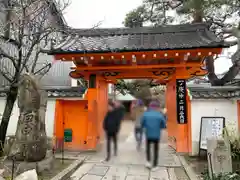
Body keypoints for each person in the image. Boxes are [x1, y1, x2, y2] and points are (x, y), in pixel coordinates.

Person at [141, 100, 166, 170]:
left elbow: (142, 123)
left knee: (148, 148)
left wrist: (146, 126)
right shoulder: (160, 115)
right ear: (157, 107)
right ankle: (155, 165)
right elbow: (163, 125)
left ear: (150, 107)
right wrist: (159, 127)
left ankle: (148, 162)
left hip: (148, 134)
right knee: (155, 149)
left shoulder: (145, 114)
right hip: (156, 135)